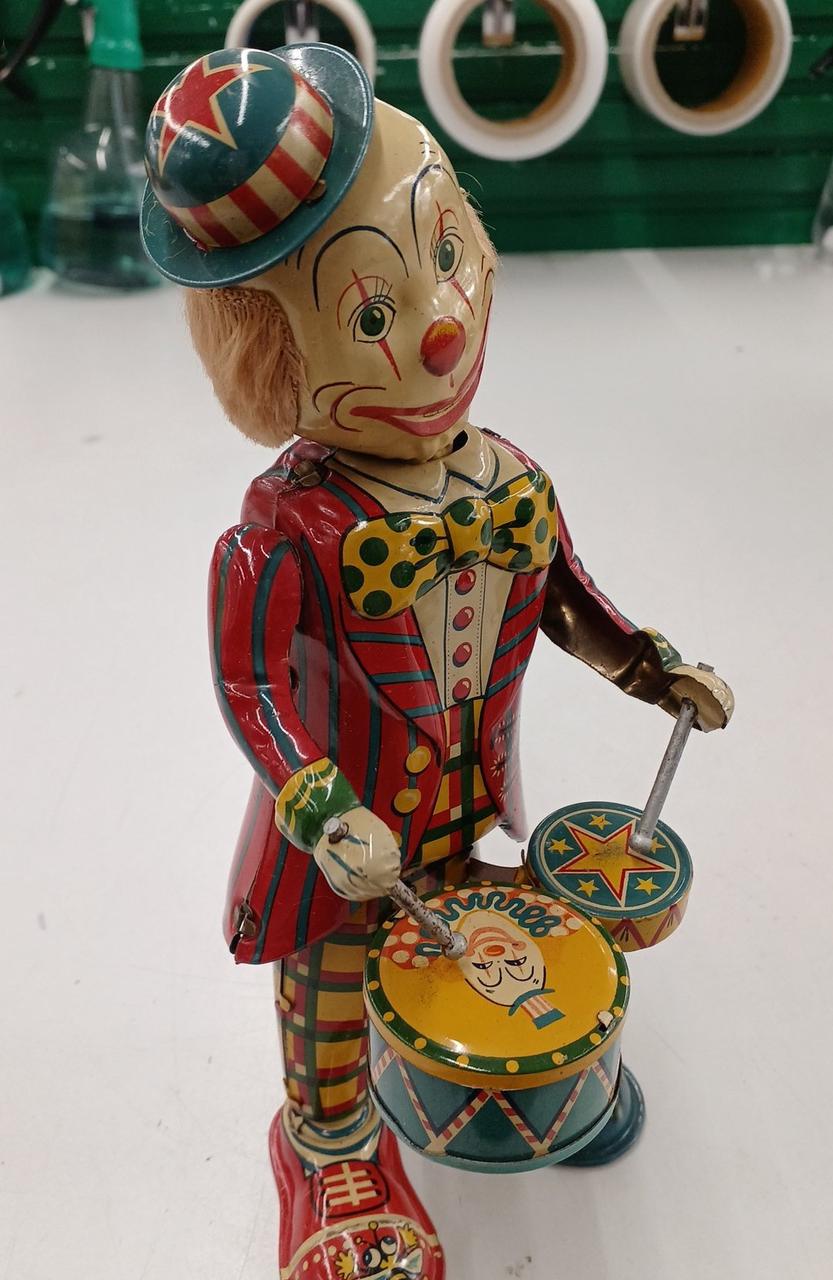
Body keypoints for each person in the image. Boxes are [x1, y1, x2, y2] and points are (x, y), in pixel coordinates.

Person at [142, 43, 733, 1280]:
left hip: (462, 808)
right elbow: (249, 688)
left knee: (465, 947)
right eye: (370, 314)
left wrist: (650, 667)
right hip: (339, 848)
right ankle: (330, 1148)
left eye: (447, 253)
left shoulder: (509, 477)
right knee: (331, 991)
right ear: (268, 358)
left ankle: (500, 1085)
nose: (442, 325)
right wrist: (321, 806)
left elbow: (566, 597)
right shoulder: (279, 532)